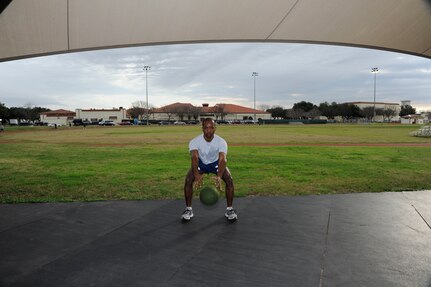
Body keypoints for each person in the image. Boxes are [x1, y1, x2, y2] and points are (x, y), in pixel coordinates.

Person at [182, 118, 237, 221]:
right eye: (206, 128)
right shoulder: (194, 141)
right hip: (201, 163)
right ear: (202, 128)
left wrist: (219, 176)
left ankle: (229, 209)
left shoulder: (221, 141)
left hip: (216, 163)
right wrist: (197, 175)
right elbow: (194, 158)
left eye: (211, 128)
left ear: (215, 128)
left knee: (229, 180)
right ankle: (188, 209)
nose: (209, 130)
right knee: (189, 180)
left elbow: (223, 160)